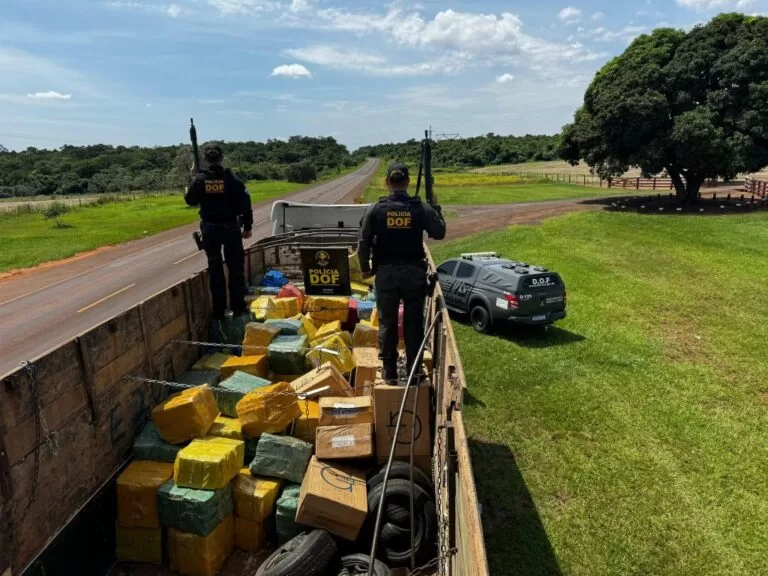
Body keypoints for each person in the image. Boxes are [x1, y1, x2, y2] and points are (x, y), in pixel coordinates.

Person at [358, 162, 446, 383]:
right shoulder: (420, 208)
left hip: (386, 273)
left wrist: (365, 268)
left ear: (387, 182)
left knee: (387, 323)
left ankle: (389, 373)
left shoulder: (376, 209)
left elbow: (363, 241)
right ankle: (414, 373)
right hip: (413, 274)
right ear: (407, 182)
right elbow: (439, 232)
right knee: (413, 323)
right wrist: (435, 206)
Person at [185, 144, 253, 319]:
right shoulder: (232, 179)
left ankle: (219, 311)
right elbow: (245, 203)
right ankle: (238, 308)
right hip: (231, 228)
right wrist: (247, 227)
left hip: (210, 230)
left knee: (215, 270)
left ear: (206, 159)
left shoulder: (201, 180)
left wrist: (192, 179)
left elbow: (190, 200)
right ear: (222, 158)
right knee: (235, 269)